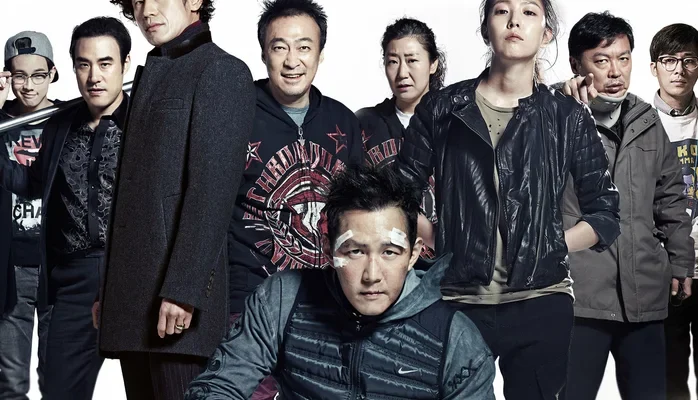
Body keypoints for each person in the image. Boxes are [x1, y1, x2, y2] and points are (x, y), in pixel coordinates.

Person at [396, 0, 621, 398]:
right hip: (458, 300)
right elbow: (397, 195)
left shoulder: (567, 116)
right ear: (486, 28)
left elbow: (604, 211)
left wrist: (552, 243)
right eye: (502, 10)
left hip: (541, 300)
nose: (515, 20)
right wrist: (439, 237)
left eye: (529, 12)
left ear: (546, 34)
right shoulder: (443, 107)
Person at [184, 165, 496, 399]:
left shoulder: (456, 338)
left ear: (413, 254)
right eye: (355, 251)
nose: (372, 275)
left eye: (389, 252)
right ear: (329, 249)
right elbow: (219, 386)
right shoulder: (282, 299)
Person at [98, 0, 256, 398]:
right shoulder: (156, 69)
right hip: (134, 303)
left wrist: (184, 290)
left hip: (177, 308)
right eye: (137, 1)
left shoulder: (221, 71)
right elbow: (133, 194)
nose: (146, 11)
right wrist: (109, 291)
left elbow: (211, 194)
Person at [559, 12, 694, 400]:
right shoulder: (553, 117)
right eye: (602, 60)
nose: (616, 72)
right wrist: (560, 104)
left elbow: (670, 198)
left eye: (624, 58)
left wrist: (681, 262)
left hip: (644, 295)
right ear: (576, 64)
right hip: (580, 297)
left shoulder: (647, 119)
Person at [0, 17, 131, 399]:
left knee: (154, 387)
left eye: (105, 63)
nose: (94, 76)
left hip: (132, 271)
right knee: (58, 390)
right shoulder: (60, 125)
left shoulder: (144, 120)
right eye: (84, 64)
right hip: (71, 277)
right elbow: (31, 183)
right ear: (73, 68)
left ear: (124, 64)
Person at [357, 17, 446, 259]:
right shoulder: (364, 123)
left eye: (412, 60)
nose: (402, 73)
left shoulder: (456, 122)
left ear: (433, 64)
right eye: (392, 62)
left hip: (446, 263)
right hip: (383, 262)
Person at [0, 30, 58, 399]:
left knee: (59, 378)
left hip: (58, 267)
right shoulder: (0, 121)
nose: (29, 85)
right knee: (10, 382)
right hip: (11, 266)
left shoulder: (69, 118)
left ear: (52, 73)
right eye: (19, 75)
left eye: (38, 75)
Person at [653, 23, 698, 400]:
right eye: (669, 60)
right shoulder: (637, 122)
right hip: (663, 270)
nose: (679, 69)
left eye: (689, 60)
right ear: (654, 67)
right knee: (669, 380)